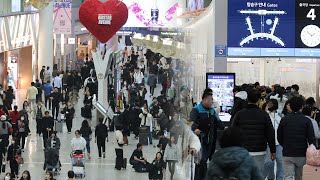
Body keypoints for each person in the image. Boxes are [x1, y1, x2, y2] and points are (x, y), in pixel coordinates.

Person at [232, 89, 276, 175]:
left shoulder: (239, 114)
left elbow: (233, 132)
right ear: (259, 100)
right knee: (258, 174)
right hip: (260, 150)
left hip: (243, 150)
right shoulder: (264, 115)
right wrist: (273, 150)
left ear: (247, 99)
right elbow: (270, 133)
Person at [277, 96, 315, 180]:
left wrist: (284, 144)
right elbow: (311, 139)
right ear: (302, 106)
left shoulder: (284, 119)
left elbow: (279, 136)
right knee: (300, 176)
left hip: (287, 152)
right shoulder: (306, 121)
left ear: (290, 106)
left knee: (288, 176)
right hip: (302, 153)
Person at [190, 89, 224, 180]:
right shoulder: (196, 110)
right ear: (205, 100)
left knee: (211, 162)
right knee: (202, 162)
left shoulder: (212, 111)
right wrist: (195, 130)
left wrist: (225, 128)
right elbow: (191, 124)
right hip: (201, 141)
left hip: (211, 141)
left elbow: (219, 122)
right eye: (210, 100)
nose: (212, 102)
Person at [263, 99, 284, 180]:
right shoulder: (265, 115)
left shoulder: (280, 116)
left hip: (279, 143)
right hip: (268, 143)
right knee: (269, 162)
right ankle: (270, 177)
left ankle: (279, 178)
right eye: (268, 104)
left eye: (271, 104)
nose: (269, 105)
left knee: (280, 162)